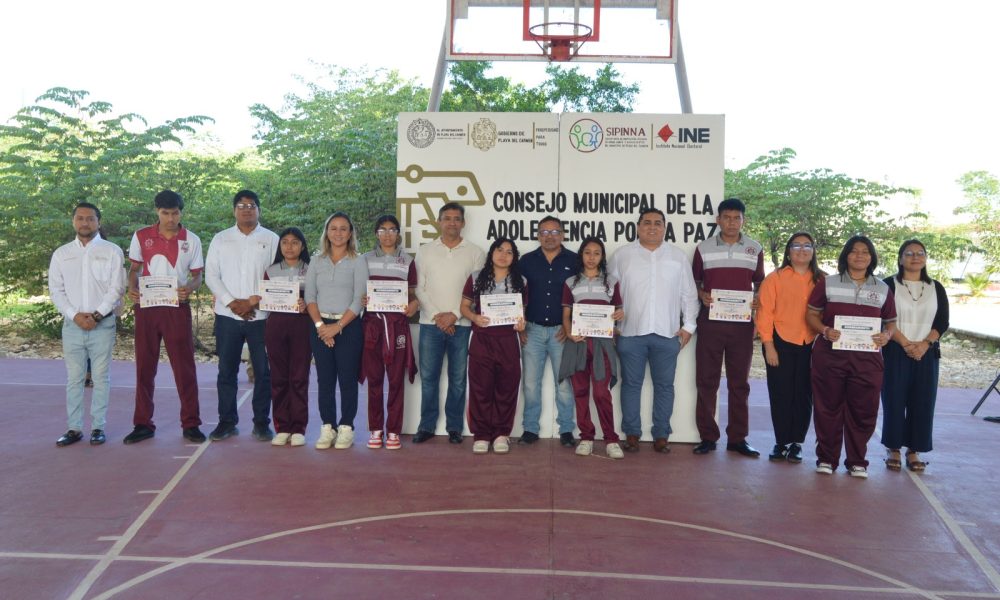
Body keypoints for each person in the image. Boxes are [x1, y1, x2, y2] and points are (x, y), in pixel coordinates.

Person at [609, 208, 699, 453]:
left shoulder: (677, 257)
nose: (652, 227)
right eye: (647, 222)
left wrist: (689, 327)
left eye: (657, 223)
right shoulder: (622, 256)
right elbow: (607, 291)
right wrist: (610, 325)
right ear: (638, 227)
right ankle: (632, 434)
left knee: (665, 387)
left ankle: (661, 434)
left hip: (667, 334)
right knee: (631, 385)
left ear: (664, 227)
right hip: (629, 333)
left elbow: (689, 295)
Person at [806, 235, 897, 478]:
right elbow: (811, 315)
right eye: (854, 251)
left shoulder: (882, 288)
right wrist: (825, 330)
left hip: (867, 360)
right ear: (846, 255)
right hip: (830, 357)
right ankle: (826, 458)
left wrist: (887, 336)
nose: (859, 255)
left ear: (872, 257)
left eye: (865, 252)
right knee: (827, 408)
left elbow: (891, 322)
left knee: (864, 410)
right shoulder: (828, 283)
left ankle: (857, 461)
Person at [123, 190, 205, 445]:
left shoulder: (192, 240)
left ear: (181, 212)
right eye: (165, 213)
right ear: (157, 211)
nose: (170, 218)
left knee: (184, 367)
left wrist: (189, 288)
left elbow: (198, 276)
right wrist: (131, 288)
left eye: (175, 213)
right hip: (147, 307)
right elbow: (134, 270)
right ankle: (142, 423)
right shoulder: (141, 236)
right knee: (144, 367)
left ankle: (191, 423)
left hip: (176, 307)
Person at [691, 198, 765, 458]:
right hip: (711, 322)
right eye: (727, 217)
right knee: (707, 380)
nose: (732, 222)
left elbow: (760, 283)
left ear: (743, 220)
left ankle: (738, 438)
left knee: (739, 383)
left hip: (742, 326)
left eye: (737, 218)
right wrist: (701, 294)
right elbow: (694, 282)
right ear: (718, 220)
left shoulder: (755, 249)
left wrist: (758, 300)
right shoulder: (703, 248)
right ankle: (708, 437)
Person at [205, 190, 279, 442]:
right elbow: (211, 275)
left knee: (264, 372)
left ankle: (261, 423)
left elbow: (278, 275)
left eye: (251, 205)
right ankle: (226, 422)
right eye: (241, 205)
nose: (247, 209)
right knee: (226, 371)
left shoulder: (272, 239)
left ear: (259, 209)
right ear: (234, 210)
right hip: (227, 316)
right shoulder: (220, 239)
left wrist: (251, 302)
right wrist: (232, 302)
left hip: (262, 315)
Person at [48, 202, 125, 446]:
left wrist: (97, 316)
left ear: (98, 222)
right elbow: (56, 290)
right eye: (80, 218)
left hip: (103, 325)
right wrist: (75, 315)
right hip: (73, 326)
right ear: (73, 221)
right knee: (74, 378)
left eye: (90, 218)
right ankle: (74, 428)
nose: (85, 223)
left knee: (101, 377)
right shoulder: (61, 254)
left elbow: (116, 288)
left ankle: (98, 427)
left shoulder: (112, 251)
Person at [413, 202, 486, 444]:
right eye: (447, 218)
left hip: (462, 325)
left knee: (458, 379)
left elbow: (476, 291)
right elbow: (419, 288)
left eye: (456, 218)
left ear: (463, 223)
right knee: (429, 378)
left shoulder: (476, 252)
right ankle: (426, 426)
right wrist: (438, 316)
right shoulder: (425, 251)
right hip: (429, 324)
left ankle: (454, 427)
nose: (452, 223)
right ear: (439, 221)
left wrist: (454, 315)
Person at [881, 239, 949, 472]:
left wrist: (924, 344)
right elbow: (884, 317)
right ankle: (893, 448)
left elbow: (942, 321)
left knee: (923, 402)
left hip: (926, 352)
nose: (915, 257)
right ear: (900, 259)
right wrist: (905, 343)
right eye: (909, 253)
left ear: (926, 258)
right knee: (894, 400)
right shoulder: (888, 284)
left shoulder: (936, 287)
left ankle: (914, 450)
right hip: (895, 349)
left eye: (920, 253)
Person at [755, 232, 822, 463]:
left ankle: (796, 443)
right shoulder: (774, 278)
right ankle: (781, 441)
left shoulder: (822, 280)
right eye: (796, 245)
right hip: (779, 342)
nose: (802, 250)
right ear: (788, 251)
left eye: (807, 246)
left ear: (813, 251)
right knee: (781, 393)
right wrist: (769, 346)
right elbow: (765, 313)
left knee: (804, 395)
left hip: (811, 344)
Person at [306, 212, 368, 450]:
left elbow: (359, 299)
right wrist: (321, 327)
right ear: (327, 231)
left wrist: (338, 327)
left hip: (348, 327)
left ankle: (346, 427)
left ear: (350, 233)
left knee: (347, 379)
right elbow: (310, 297)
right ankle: (328, 427)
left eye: (343, 228)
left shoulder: (358, 261)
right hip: (320, 327)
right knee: (325, 380)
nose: (338, 233)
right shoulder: (316, 260)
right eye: (333, 228)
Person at [460, 237, 528, 454]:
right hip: (481, 339)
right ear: (491, 253)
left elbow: (522, 313)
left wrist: (521, 324)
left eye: (509, 252)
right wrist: (474, 317)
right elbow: (464, 307)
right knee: (480, 387)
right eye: (499, 250)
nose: (503, 255)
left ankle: (501, 434)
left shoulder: (521, 281)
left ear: (514, 257)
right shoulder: (476, 277)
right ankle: (481, 435)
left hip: (508, 340)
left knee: (507, 387)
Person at [560, 237, 625, 459]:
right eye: (587, 252)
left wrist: (619, 315)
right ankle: (586, 437)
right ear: (581, 255)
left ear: (602, 257)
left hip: (602, 345)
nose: (591, 257)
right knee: (580, 391)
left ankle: (611, 439)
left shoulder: (611, 282)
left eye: (596, 253)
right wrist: (569, 332)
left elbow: (618, 311)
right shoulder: (571, 282)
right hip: (578, 343)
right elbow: (566, 315)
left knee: (601, 393)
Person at [518, 215, 578, 447]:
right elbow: (517, 295)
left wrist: (570, 324)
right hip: (532, 330)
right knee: (530, 384)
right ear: (538, 235)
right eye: (544, 232)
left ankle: (566, 429)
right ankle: (530, 429)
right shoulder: (526, 261)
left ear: (562, 235)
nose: (549, 236)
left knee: (563, 385)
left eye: (554, 232)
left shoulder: (574, 260)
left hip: (561, 333)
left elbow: (581, 294)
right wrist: (519, 324)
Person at [360, 215, 418, 450]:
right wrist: (363, 299)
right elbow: (359, 290)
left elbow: (412, 295)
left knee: (395, 381)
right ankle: (376, 429)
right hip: (372, 326)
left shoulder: (408, 261)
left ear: (398, 234)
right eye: (382, 230)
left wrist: (413, 305)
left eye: (392, 230)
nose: (387, 234)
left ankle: (393, 430)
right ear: (376, 233)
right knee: (374, 379)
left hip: (398, 326)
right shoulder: (365, 259)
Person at [264, 227, 312, 448]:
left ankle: (299, 428)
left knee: (299, 377)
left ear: (302, 246)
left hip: (302, 326)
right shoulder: (271, 271)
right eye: (285, 242)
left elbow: (317, 297)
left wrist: (307, 305)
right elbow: (265, 298)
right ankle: (282, 427)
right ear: (280, 246)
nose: (289, 247)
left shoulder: (311, 269)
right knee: (279, 377)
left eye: (294, 242)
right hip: (276, 326)